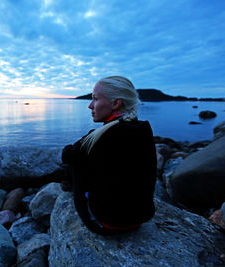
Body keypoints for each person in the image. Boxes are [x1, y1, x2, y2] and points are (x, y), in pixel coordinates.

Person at [62, 76, 157, 235]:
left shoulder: (102, 136)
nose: (90, 106)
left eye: (96, 99)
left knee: (73, 164)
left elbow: (66, 154)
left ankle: (67, 184)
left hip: (106, 222)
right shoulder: (143, 129)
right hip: (139, 219)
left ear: (115, 103)